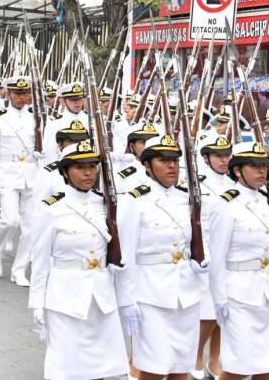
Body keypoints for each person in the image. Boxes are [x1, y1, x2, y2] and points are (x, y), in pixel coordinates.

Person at [29, 140, 128, 380]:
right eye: (80, 167)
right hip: (65, 297)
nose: (88, 173)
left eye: (93, 167)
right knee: (67, 367)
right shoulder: (52, 208)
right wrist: (37, 303)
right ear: (65, 172)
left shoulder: (105, 205)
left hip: (101, 295)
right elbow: (40, 259)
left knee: (101, 367)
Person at [116, 134, 206, 379]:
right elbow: (126, 256)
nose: (171, 166)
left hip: (186, 294)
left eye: (175, 161)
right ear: (146, 165)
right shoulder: (135, 201)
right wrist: (126, 300)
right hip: (151, 296)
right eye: (163, 161)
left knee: (181, 367)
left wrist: (201, 263)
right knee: (154, 368)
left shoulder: (187, 199)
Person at [208, 141, 269, 379]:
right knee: (238, 366)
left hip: (268, 291)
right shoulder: (225, 204)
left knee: (266, 364)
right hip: (239, 293)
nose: (262, 171)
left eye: (264, 165)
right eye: (254, 166)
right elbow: (217, 256)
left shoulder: (265, 200)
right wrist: (219, 297)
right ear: (237, 170)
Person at [0, 76, 41, 287]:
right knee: (9, 220)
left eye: (25, 93)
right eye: (17, 93)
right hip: (7, 175)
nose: (21, 97)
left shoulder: (35, 119)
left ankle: (19, 270)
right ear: (8, 94)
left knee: (30, 228)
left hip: (30, 176)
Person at [192, 135, 234, 379]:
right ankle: (196, 356)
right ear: (205, 158)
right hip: (206, 250)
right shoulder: (196, 183)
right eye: (218, 155)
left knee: (224, 311)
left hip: (230, 251)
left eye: (226, 155)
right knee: (207, 312)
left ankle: (215, 360)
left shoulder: (233, 183)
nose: (224, 160)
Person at [41, 82, 88, 164]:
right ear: (63, 101)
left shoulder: (90, 120)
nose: (77, 102)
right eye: (72, 100)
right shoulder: (56, 122)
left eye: (79, 99)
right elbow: (50, 151)